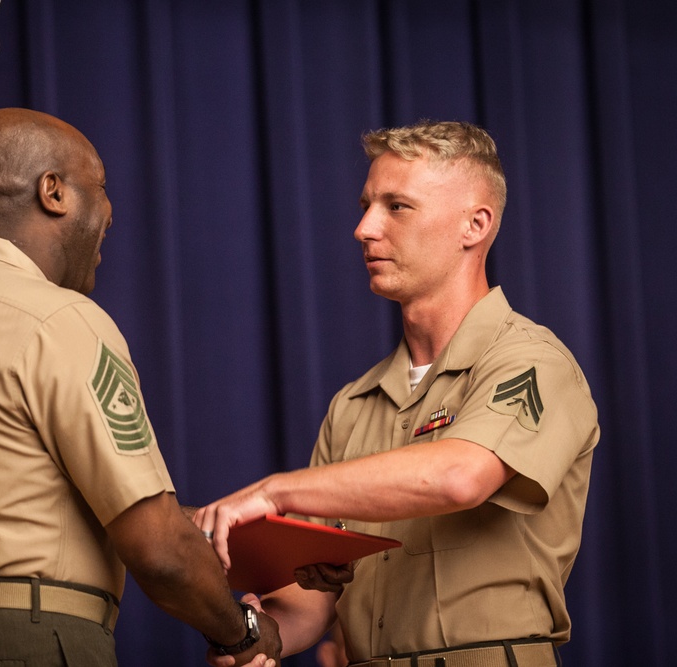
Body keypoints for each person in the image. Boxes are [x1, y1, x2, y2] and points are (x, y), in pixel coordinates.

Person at [0, 107, 281, 667]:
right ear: (52, 192)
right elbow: (159, 552)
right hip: (26, 647)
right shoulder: (58, 319)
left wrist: (259, 548)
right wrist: (244, 632)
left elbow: (18, 506)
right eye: (100, 188)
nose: (110, 213)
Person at [196, 121, 598, 667]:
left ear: (474, 225)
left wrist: (274, 493)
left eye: (396, 207)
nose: (363, 228)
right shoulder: (353, 404)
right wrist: (248, 636)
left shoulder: (531, 360)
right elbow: (313, 605)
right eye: (366, 205)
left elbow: (461, 476)